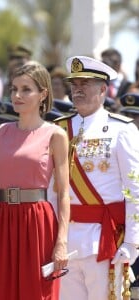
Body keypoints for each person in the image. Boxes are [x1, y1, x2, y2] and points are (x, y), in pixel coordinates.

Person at [0, 61, 70, 300]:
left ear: (43, 94)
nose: (17, 95)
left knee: (36, 293)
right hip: (3, 220)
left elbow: (64, 193)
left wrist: (62, 241)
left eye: (26, 89)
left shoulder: (55, 135)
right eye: (14, 89)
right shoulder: (1, 133)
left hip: (37, 222)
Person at [52, 55, 139, 300]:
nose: (78, 89)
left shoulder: (121, 129)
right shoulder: (59, 128)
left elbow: (135, 189)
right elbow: (52, 188)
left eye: (85, 84)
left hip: (106, 240)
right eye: (74, 84)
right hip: (66, 239)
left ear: (103, 89)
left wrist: (132, 242)